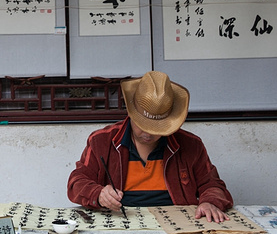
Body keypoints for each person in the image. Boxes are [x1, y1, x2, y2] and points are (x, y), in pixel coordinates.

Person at [67, 71, 233, 222]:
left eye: (156, 128)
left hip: (175, 224)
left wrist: (209, 202)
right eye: (142, 125)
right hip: (120, 221)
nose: (148, 133)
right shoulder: (101, 141)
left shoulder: (191, 145)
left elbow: (212, 185)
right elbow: (76, 182)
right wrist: (99, 194)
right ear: (131, 113)